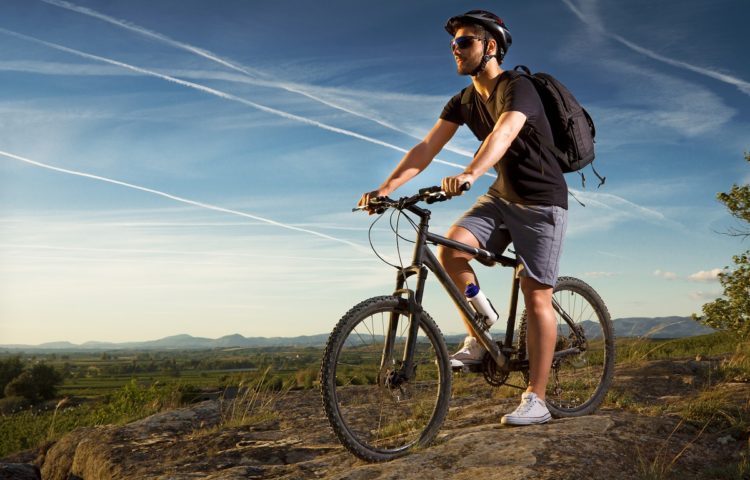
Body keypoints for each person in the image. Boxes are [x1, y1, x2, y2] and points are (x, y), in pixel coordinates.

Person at [358, 10, 567, 426]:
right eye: (453, 43)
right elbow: (426, 147)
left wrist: (471, 172)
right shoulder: (464, 100)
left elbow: (504, 133)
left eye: (464, 42)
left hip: (541, 201)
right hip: (501, 196)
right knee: (451, 252)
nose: (455, 49)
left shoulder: (517, 87)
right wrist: (386, 188)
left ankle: (537, 398)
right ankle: (480, 326)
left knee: (536, 292)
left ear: (490, 46)